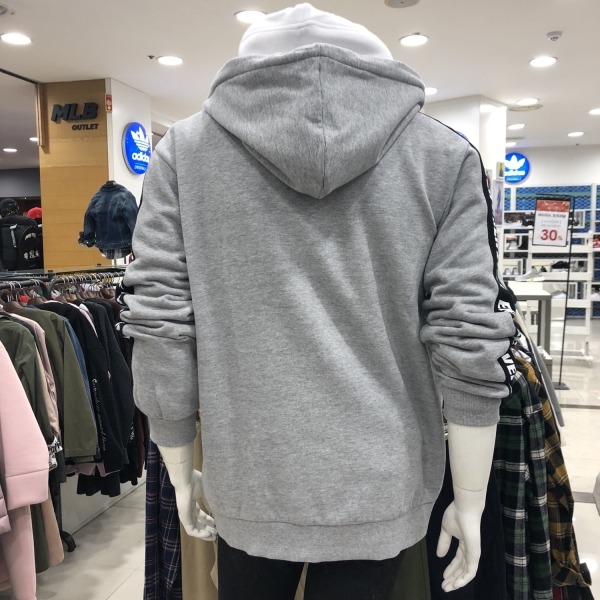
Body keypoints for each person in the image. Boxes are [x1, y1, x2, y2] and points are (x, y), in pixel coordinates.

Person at [120, 4, 517, 599]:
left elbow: (161, 323)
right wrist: (471, 497)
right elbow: (468, 332)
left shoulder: (185, 152)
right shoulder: (443, 155)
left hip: (250, 475)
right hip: (383, 480)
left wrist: (178, 467)